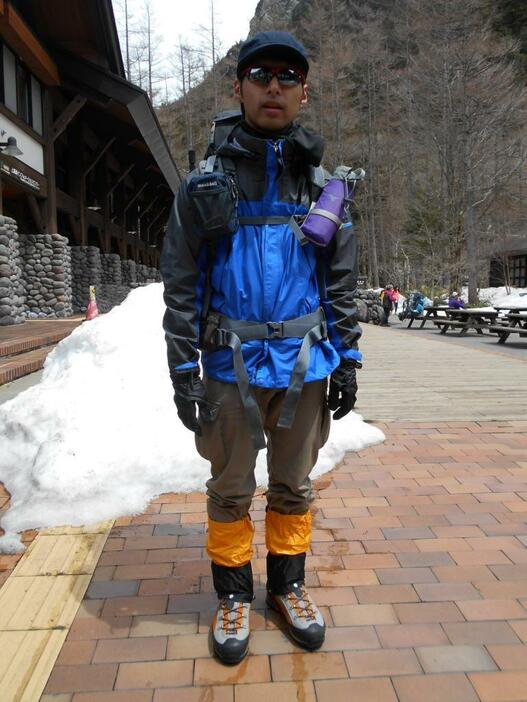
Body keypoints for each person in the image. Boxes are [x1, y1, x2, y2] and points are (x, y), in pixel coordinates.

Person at [160, 31, 362, 666]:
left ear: (304, 91)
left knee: (294, 486)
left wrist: (349, 358)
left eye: (287, 76)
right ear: (239, 86)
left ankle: (288, 588)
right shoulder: (205, 184)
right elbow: (182, 282)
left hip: (305, 365)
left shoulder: (324, 188)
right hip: (228, 365)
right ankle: (232, 596)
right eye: (260, 74)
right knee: (228, 489)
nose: (273, 86)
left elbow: (341, 282)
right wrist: (183, 370)